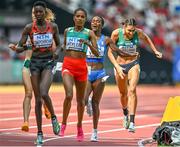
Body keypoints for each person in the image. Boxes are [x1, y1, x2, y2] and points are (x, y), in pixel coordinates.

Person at [9, 1, 61, 145]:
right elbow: (21, 47)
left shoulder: (53, 27)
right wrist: (16, 48)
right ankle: (39, 133)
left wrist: (56, 53)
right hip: (34, 65)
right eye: (36, 12)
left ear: (45, 12)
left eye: (40, 12)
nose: (38, 14)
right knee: (37, 100)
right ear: (34, 13)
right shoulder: (28, 28)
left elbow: (59, 45)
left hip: (48, 63)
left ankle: (54, 118)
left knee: (44, 93)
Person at [84, 16, 135, 142]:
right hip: (86, 72)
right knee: (83, 99)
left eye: (98, 21)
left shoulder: (106, 39)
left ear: (102, 25)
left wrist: (131, 55)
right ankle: (87, 102)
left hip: (99, 73)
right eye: (93, 21)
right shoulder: (84, 36)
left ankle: (95, 132)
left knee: (96, 103)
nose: (95, 22)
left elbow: (117, 50)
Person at [108, 18, 162, 133]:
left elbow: (147, 38)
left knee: (132, 90)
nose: (131, 33)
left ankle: (132, 122)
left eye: (133, 30)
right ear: (124, 28)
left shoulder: (139, 33)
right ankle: (125, 113)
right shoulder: (116, 34)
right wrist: (117, 67)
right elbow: (109, 52)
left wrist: (155, 50)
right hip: (120, 66)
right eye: (129, 31)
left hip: (134, 64)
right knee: (123, 94)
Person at [59, 8, 99, 142]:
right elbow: (64, 46)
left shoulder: (89, 33)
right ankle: (63, 124)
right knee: (69, 95)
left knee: (81, 101)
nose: (80, 18)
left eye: (83, 17)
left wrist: (88, 43)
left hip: (81, 68)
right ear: (74, 18)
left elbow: (97, 53)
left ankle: (79, 127)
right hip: (68, 66)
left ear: (85, 19)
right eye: (78, 16)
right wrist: (60, 50)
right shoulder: (67, 31)